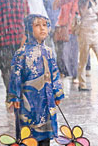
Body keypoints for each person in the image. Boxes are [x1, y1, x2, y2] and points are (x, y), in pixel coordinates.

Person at [8, 14, 64, 146]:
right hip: (28, 100)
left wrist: (57, 93)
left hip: (46, 100)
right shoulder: (21, 53)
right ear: (29, 29)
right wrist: (14, 96)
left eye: (45, 25)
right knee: (28, 135)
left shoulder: (49, 52)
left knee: (45, 133)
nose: (42, 28)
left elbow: (55, 73)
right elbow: (15, 76)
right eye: (37, 25)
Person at [54, 0, 79, 81]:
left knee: (72, 53)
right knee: (62, 53)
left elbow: (74, 13)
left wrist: (70, 26)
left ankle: (74, 75)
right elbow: (55, 6)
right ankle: (64, 72)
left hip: (70, 29)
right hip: (61, 28)